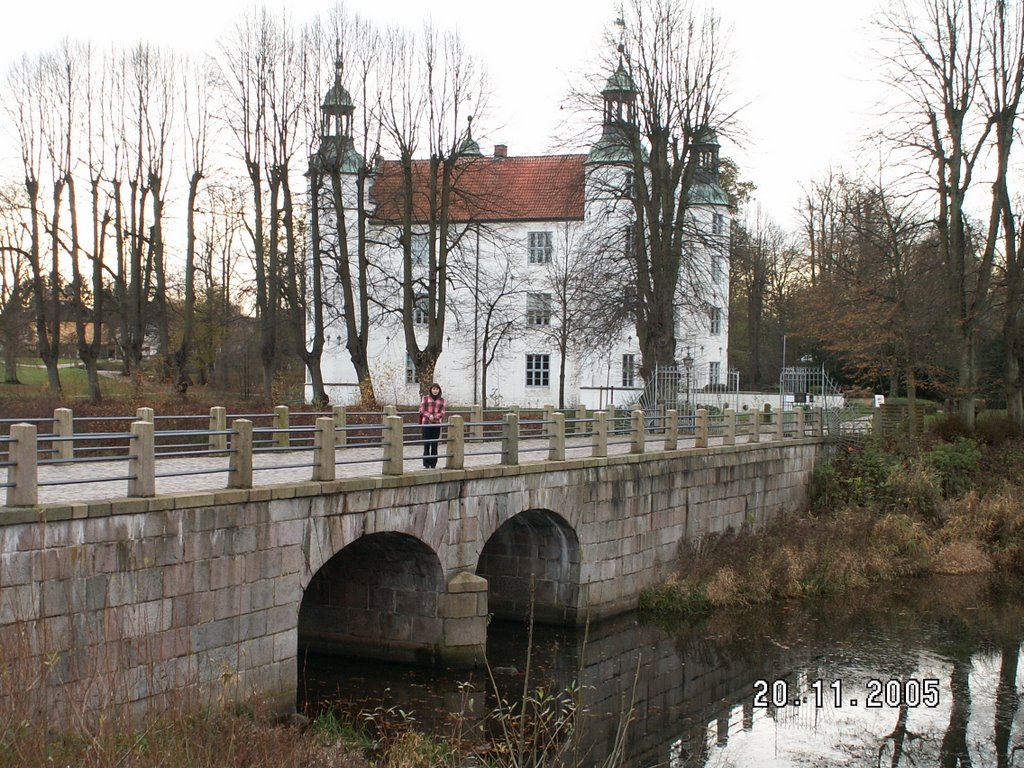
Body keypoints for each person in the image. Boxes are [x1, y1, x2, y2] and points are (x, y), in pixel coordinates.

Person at [418, 382, 446, 468]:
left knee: (434, 444)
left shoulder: (442, 400)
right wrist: (429, 415)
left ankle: (433, 463)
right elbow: (421, 410)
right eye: (433, 389)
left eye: (437, 389)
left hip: (436, 424)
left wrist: (434, 417)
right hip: (426, 423)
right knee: (426, 443)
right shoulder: (425, 398)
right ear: (431, 390)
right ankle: (426, 463)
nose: (435, 391)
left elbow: (443, 412)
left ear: (439, 390)